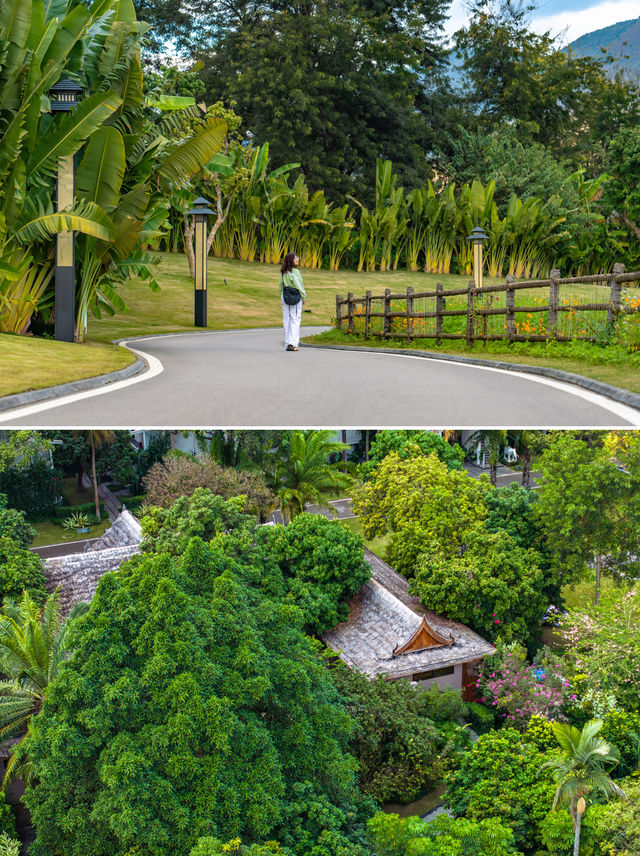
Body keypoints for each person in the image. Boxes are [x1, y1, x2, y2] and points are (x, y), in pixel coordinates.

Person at [279, 252, 306, 351]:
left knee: (287, 319)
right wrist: (303, 297)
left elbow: (280, 285)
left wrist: (282, 295)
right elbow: (299, 285)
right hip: (294, 296)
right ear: (292, 260)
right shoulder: (295, 272)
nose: (297, 259)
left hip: (285, 296)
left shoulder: (283, 271)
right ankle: (292, 343)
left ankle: (287, 342)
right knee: (295, 319)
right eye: (296, 258)